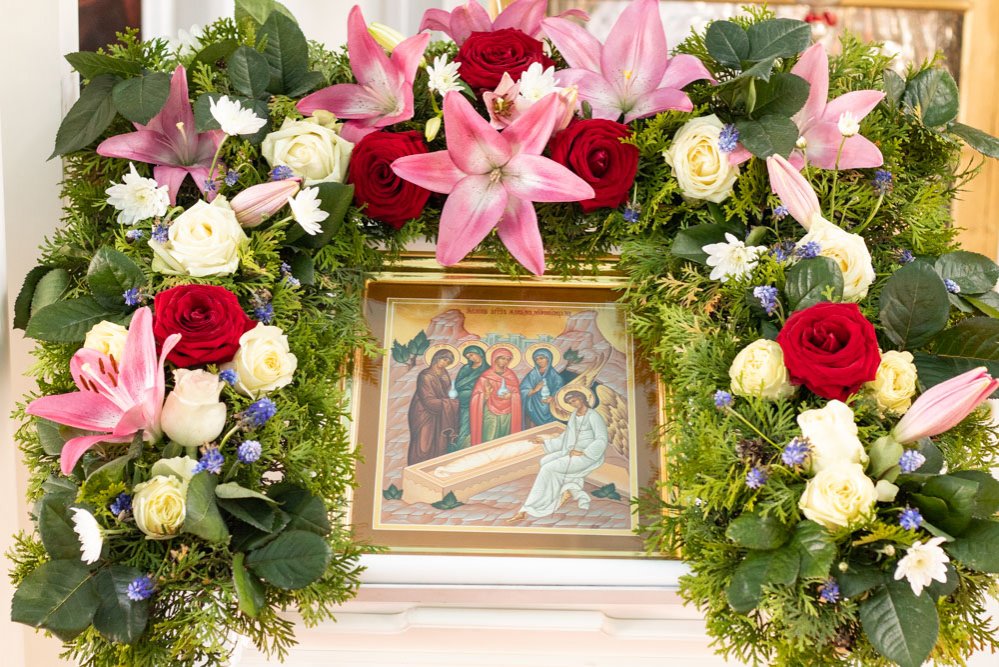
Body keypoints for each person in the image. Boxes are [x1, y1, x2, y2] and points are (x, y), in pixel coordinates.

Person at [507, 390, 608, 522]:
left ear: (582, 398)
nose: (573, 404)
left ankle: (527, 509)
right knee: (545, 461)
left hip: (587, 455)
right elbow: (566, 436)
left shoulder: (593, 416)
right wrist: (546, 442)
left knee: (548, 469)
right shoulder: (574, 415)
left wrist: (584, 452)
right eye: (570, 403)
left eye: (574, 400)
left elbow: (602, 439)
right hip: (571, 452)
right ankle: (562, 491)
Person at [407, 349, 459, 465]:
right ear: (437, 358)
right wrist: (450, 404)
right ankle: (417, 467)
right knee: (423, 443)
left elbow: (446, 392)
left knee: (439, 441)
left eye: (448, 362)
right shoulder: (425, 375)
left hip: (439, 412)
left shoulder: (444, 374)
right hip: (424, 412)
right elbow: (428, 400)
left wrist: (449, 401)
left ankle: (434, 467)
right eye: (444, 360)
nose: (445, 363)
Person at [469, 346, 522, 445]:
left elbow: (516, 393)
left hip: (508, 411)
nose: (505, 361)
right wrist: (486, 395)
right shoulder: (486, 376)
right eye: (502, 358)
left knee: (505, 437)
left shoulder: (511, 375)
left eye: (508, 359)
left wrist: (511, 395)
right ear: (495, 358)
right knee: (489, 437)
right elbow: (476, 397)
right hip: (490, 410)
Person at [452, 344, 489, 451]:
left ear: (479, 353)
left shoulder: (488, 369)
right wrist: (473, 387)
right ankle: (461, 448)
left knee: (482, 425)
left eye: (472, 355)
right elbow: (458, 385)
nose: (471, 358)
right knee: (465, 424)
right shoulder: (466, 368)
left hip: (483, 401)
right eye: (468, 357)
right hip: (466, 401)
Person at [519, 347, 564, 428]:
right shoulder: (532, 374)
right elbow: (522, 390)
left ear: (548, 359)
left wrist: (553, 398)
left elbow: (559, 390)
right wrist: (535, 390)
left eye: (541, 358)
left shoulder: (555, 376)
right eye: (536, 359)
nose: (539, 361)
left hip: (549, 406)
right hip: (533, 407)